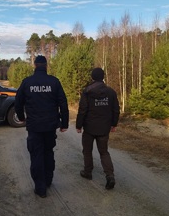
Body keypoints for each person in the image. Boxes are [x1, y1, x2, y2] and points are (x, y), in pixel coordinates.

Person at [15, 55, 69, 198]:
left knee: (36, 155)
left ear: (35, 65)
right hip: (50, 126)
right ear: (46, 66)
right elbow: (63, 103)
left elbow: (18, 102)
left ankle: (40, 188)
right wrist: (64, 123)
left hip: (34, 127)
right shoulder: (54, 82)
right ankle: (48, 180)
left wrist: (21, 118)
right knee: (48, 152)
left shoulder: (27, 82)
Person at [76, 67, 120, 190]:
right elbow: (116, 109)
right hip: (104, 128)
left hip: (89, 128)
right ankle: (110, 176)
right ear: (103, 77)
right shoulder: (111, 92)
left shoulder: (87, 91)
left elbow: (82, 110)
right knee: (104, 152)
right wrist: (114, 124)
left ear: (92, 77)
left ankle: (87, 172)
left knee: (87, 150)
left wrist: (79, 125)